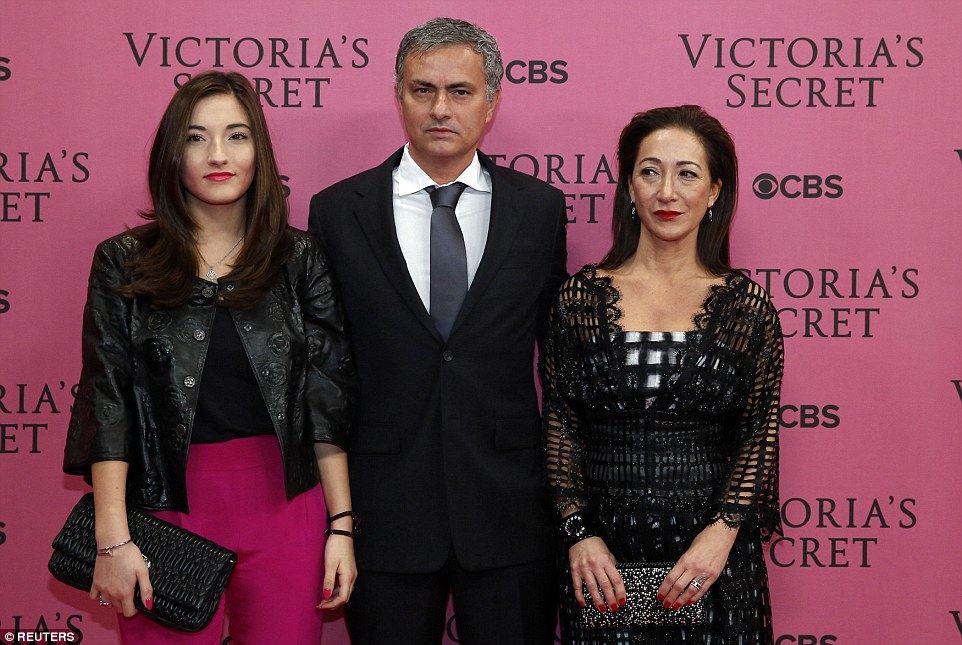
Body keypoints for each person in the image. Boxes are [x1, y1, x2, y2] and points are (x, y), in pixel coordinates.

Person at [62, 70, 358, 645]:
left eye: (237, 135)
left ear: (261, 152)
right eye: (196, 137)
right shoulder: (123, 261)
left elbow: (328, 399)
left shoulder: (301, 258)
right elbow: (108, 401)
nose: (217, 154)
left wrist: (341, 526)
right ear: (172, 154)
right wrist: (113, 539)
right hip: (162, 508)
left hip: (287, 509)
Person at [308, 17, 567, 645]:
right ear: (398, 97)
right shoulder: (338, 211)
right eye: (423, 90)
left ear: (492, 101)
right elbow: (325, 368)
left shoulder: (538, 209)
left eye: (460, 91)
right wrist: (340, 519)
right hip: (386, 507)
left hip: (509, 506)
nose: (441, 108)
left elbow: (558, 361)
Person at [540, 105, 784, 644]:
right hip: (604, 562)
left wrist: (720, 537)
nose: (666, 192)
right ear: (629, 185)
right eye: (650, 172)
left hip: (710, 562)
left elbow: (758, 432)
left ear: (716, 191)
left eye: (687, 173)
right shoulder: (579, 301)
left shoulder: (746, 308)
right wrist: (580, 534)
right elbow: (560, 424)